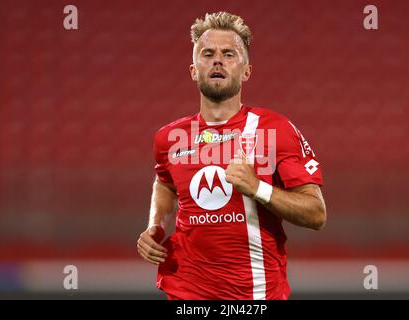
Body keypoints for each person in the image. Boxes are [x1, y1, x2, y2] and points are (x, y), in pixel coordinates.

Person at [137, 11, 326, 300]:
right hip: (186, 292)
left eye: (229, 54)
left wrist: (257, 187)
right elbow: (164, 181)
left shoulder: (274, 129)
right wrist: (156, 225)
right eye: (208, 53)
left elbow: (316, 214)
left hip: (255, 295)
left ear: (246, 71)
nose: (217, 60)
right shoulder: (170, 137)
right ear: (193, 69)